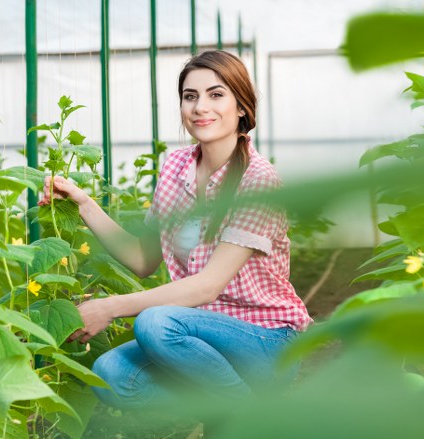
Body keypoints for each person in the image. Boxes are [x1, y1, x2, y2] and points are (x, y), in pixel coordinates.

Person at [40, 50, 312, 409]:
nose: (200, 107)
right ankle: (231, 406)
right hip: (195, 341)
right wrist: (84, 204)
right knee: (110, 374)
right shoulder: (175, 166)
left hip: (266, 343)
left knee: (156, 323)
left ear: (242, 107)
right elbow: (142, 259)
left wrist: (109, 307)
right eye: (190, 96)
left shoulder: (257, 180)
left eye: (216, 95)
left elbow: (207, 286)